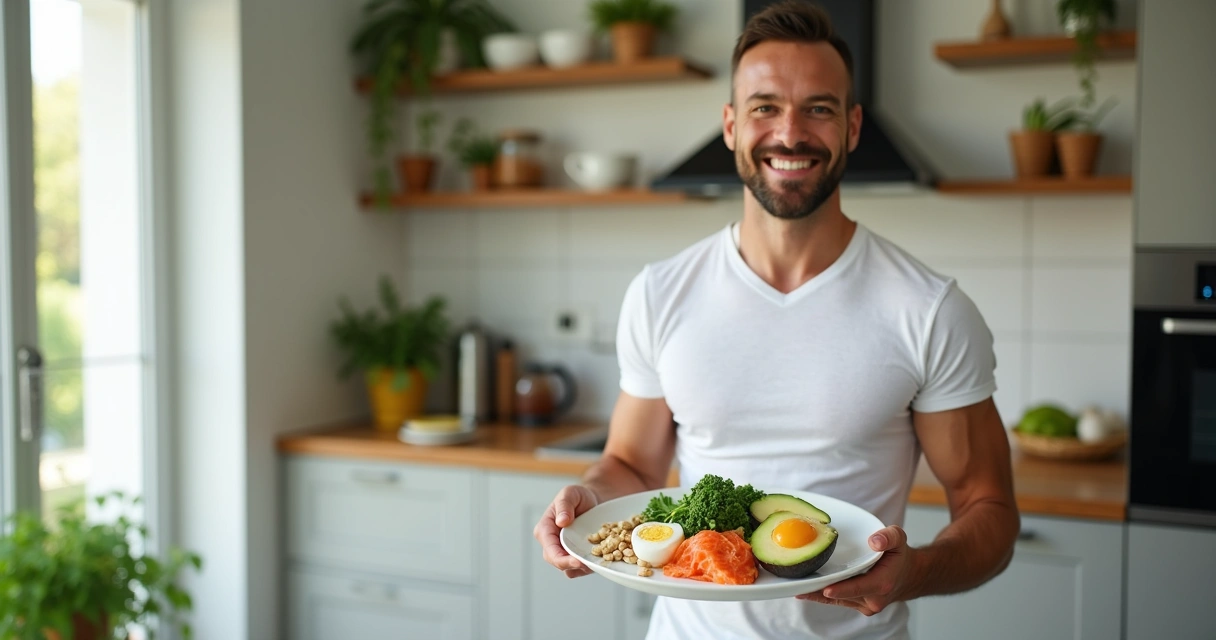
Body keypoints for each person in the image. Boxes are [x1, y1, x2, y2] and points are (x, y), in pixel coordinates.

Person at [532, 2, 1020, 638]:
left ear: (851, 127)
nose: (790, 133)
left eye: (818, 107)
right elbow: (630, 463)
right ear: (732, 125)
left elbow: (990, 508)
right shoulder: (661, 292)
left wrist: (914, 571)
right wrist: (589, 497)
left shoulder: (929, 309)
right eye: (765, 106)